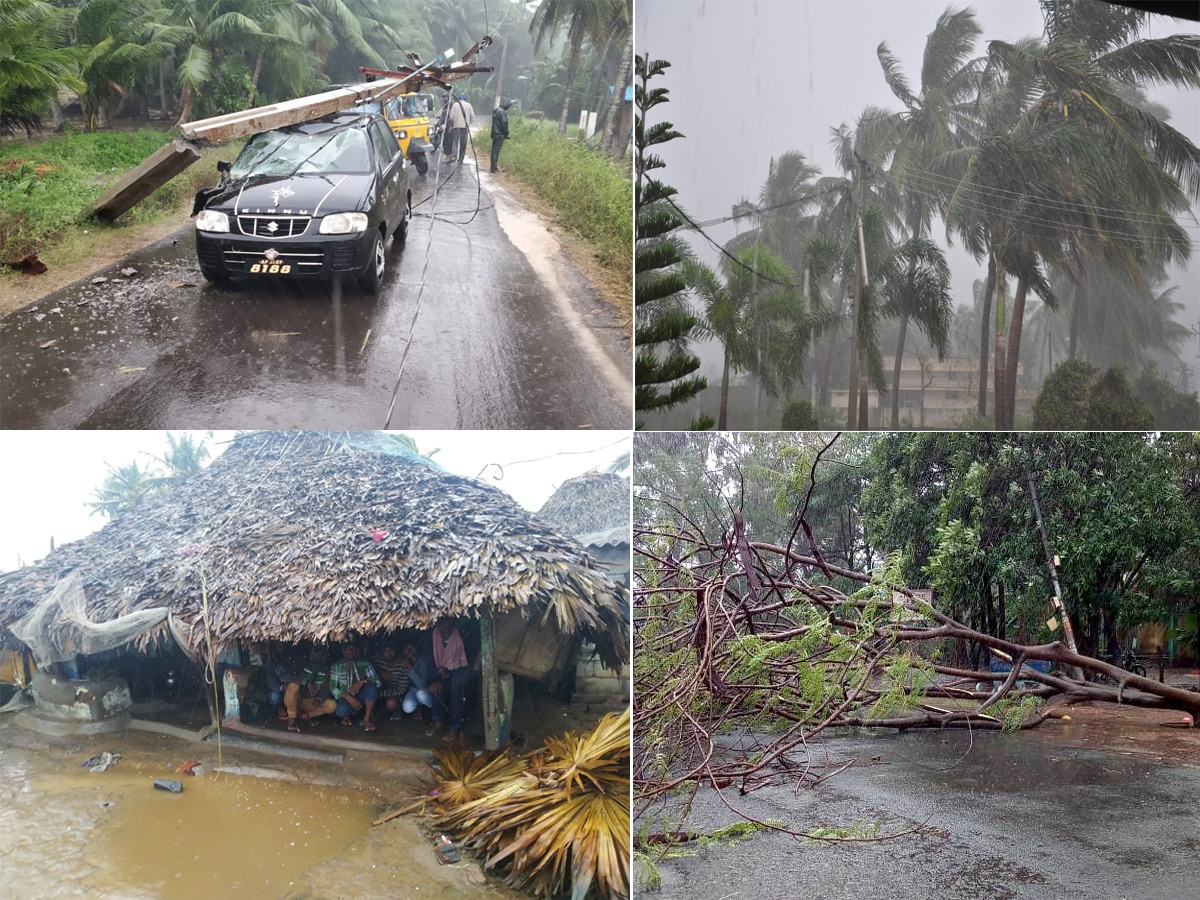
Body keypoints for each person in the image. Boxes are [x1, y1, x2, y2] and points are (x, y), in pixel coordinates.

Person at [424, 616, 471, 740]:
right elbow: (429, 660)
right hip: (439, 667)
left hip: (460, 666)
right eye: (442, 625)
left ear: (454, 624)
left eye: (449, 625)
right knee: (436, 688)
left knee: (456, 687)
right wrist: (436, 679)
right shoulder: (431, 636)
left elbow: (467, 657)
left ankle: (454, 727)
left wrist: (449, 671)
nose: (446, 628)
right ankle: (438, 722)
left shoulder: (461, 634)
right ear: (437, 625)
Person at [329, 641, 381, 731]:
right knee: (342, 711)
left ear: (357, 650)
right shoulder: (337, 665)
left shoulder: (365, 663)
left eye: (352, 649)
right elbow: (332, 688)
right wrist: (348, 697)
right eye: (348, 649)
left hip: (360, 696)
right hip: (344, 697)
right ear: (343, 651)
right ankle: (348, 714)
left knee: (371, 689)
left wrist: (363, 681)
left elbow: (377, 682)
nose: (350, 651)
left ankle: (366, 719)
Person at [284, 647, 337, 731]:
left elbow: (326, 689)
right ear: (312, 652)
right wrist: (306, 682)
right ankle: (291, 719)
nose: (319, 656)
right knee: (293, 685)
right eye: (316, 652)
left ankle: (305, 716)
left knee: (332, 705)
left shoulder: (326, 669)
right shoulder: (301, 662)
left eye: (322, 654)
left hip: (309, 702)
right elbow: (284, 676)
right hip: (293, 699)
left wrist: (318, 700)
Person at [372, 643, 411, 721]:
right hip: (380, 689)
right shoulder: (378, 661)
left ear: (396, 651)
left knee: (391, 704)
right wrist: (381, 674)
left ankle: (397, 710)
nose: (388, 653)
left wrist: (378, 694)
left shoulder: (402, 665)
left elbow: (401, 690)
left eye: (391, 650)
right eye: (385, 650)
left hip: (395, 693)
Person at [399, 641, 433, 719]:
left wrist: (409, 667)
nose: (409, 650)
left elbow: (422, 684)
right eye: (406, 648)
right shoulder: (402, 659)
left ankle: (433, 710)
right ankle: (418, 707)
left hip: (426, 689)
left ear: (417, 648)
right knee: (407, 707)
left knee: (420, 694)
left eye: (412, 648)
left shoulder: (424, 659)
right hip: (412, 689)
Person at [443, 92, 474, 164]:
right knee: (463, 142)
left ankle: (454, 155)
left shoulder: (455, 105)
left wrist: (452, 124)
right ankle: (461, 158)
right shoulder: (469, 105)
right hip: (465, 127)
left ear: (459, 98)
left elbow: (451, 117)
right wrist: (468, 123)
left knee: (455, 141)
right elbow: (472, 116)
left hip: (456, 126)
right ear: (465, 98)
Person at [490, 100, 514, 174]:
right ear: (505, 105)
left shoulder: (496, 111)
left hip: (494, 133)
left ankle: (493, 167)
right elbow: (504, 124)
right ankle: (494, 169)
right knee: (496, 151)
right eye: (508, 106)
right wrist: (507, 134)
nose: (508, 108)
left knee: (494, 151)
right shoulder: (502, 112)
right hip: (499, 134)